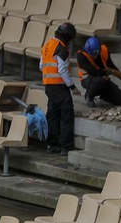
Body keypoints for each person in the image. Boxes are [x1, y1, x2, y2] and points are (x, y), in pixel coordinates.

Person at [40, 23, 77, 155]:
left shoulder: (47, 45)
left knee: (52, 115)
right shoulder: (61, 48)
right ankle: (66, 146)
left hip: (49, 86)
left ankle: (51, 144)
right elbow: (62, 70)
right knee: (66, 115)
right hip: (59, 86)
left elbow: (41, 65)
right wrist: (72, 86)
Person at [77, 37, 121, 107]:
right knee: (99, 80)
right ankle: (89, 95)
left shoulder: (104, 51)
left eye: (96, 53)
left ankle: (103, 95)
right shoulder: (81, 55)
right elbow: (93, 72)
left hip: (103, 79)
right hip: (87, 79)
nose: (94, 56)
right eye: (92, 54)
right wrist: (108, 72)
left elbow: (111, 65)